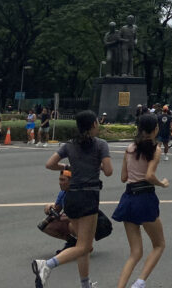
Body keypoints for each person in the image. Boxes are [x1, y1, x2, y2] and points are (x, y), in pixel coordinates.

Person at [32, 110, 114, 288]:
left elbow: (50, 164)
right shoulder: (101, 144)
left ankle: (85, 284)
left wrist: (68, 166)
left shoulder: (69, 145)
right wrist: (97, 165)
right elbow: (108, 171)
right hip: (88, 197)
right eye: (97, 122)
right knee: (85, 246)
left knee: (81, 243)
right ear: (93, 124)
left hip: (71, 198)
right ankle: (47, 265)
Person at [112, 113, 169, 288]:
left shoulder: (129, 148)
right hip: (145, 199)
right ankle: (139, 283)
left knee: (135, 252)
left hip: (128, 198)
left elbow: (123, 177)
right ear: (156, 129)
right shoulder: (155, 149)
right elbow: (149, 175)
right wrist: (162, 183)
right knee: (159, 245)